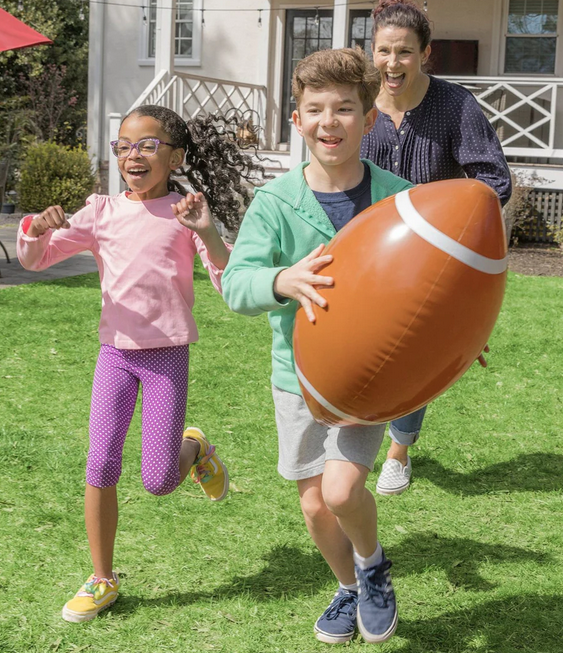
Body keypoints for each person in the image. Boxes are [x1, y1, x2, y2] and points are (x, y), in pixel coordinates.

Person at [17, 105, 268, 623]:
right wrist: (38, 229)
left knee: (157, 480)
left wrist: (210, 232)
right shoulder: (101, 211)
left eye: (147, 145)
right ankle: (102, 578)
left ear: (174, 157)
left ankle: (194, 447)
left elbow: (227, 277)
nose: (133, 155)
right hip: (115, 355)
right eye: (124, 145)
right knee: (100, 462)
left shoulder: (185, 212)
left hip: (167, 357)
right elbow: (36, 259)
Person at [222, 48, 412, 645]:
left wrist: (458, 337)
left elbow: (434, 283)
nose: (330, 122)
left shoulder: (400, 199)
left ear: (370, 118)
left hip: (369, 378)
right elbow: (235, 285)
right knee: (313, 507)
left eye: (345, 109)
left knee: (343, 489)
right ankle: (350, 586)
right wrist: (281, 280)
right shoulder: (274, 203)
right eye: (316, 110)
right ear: (297, 121)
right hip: (297, 378)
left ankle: (373, 564)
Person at [361, 0, 512, 497]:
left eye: (404, 52)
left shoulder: (455, 105)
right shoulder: (360, 106)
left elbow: (492, 178)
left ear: (424, 54)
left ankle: (398, 450)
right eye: (384, 50)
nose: (392, 62)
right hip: (369, 251)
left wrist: (446, 217)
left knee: (417, 350)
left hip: (434, 256)